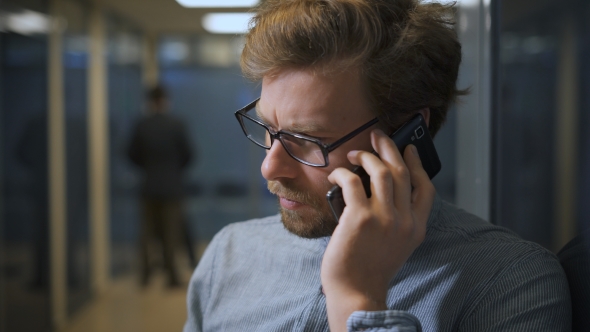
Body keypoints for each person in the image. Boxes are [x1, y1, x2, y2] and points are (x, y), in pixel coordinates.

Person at [184, 0, 571, 330]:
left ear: (405, 135)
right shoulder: (230, 255)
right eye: (269, 128)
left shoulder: (510, 282)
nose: (270, 168)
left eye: (309, 140)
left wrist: (359, 299)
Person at [128, 85, 193, 287]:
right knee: (171, 233)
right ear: (165, 100)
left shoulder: (142, 125)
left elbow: (131, 154)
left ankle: (145, 276)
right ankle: (172, 276)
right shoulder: (176, 124)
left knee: (147, 233)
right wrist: (174, 170)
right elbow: (188, 155)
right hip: (172, 186)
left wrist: (147, 168)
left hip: (149, 185)